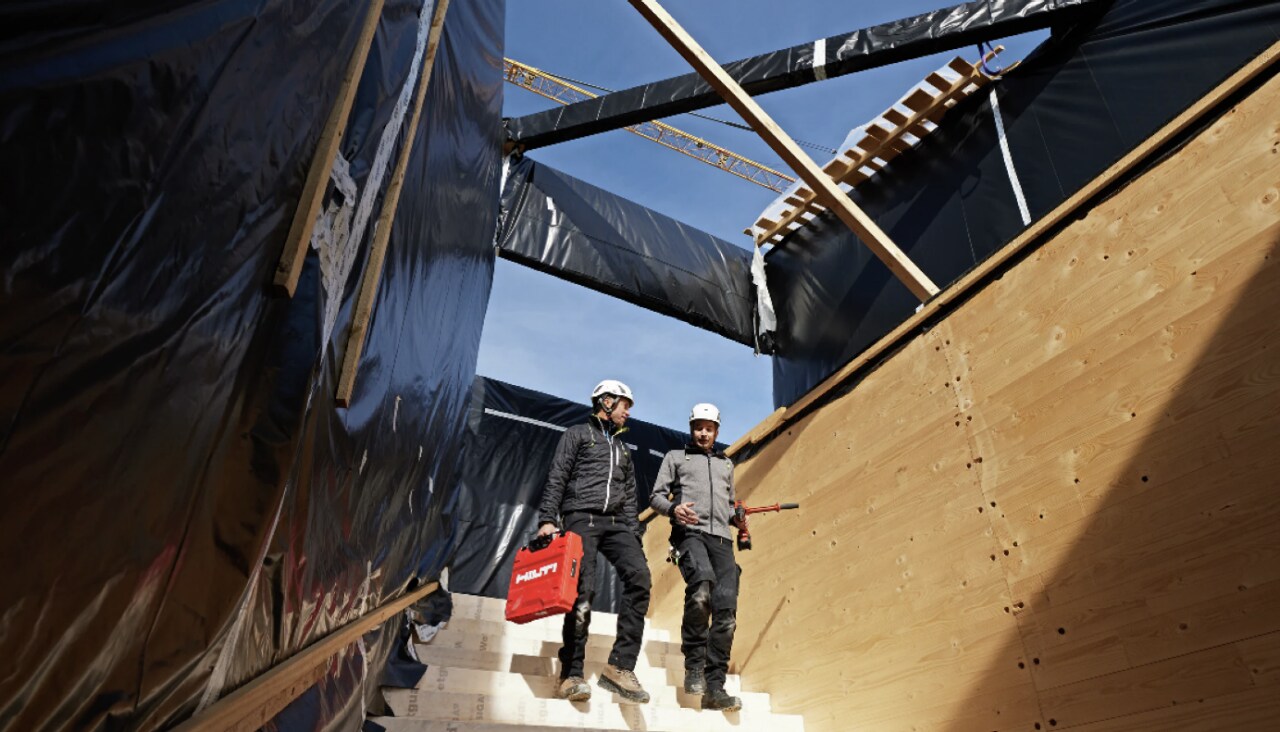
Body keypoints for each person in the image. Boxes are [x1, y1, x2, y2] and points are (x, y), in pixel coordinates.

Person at [536, 379, 652, 703]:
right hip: (579, 518)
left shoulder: (623, 450)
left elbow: (630, 499)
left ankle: (619, 667)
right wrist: (547, 519)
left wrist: (634, 535)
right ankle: (571, 674)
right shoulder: (576, 435)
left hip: (616, 525)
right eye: (625, 404)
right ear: (606, 402)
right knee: (583, 592)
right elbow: (557, 475)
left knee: (640, 577)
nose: (629, 411)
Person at [650, 403, 743, 712]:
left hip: (723, 542)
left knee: (727, 616)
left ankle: (715, 687)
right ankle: (693, 665)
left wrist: (737, 515)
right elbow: (656, 497)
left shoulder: (726, 465)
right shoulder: (676, 458)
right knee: (701, 591)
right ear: (692, 429)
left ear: (717, 431)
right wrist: (673, 509)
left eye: (709, 428)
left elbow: (728, 507)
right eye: (698, 427)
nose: (704, 432)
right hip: (690, 535)